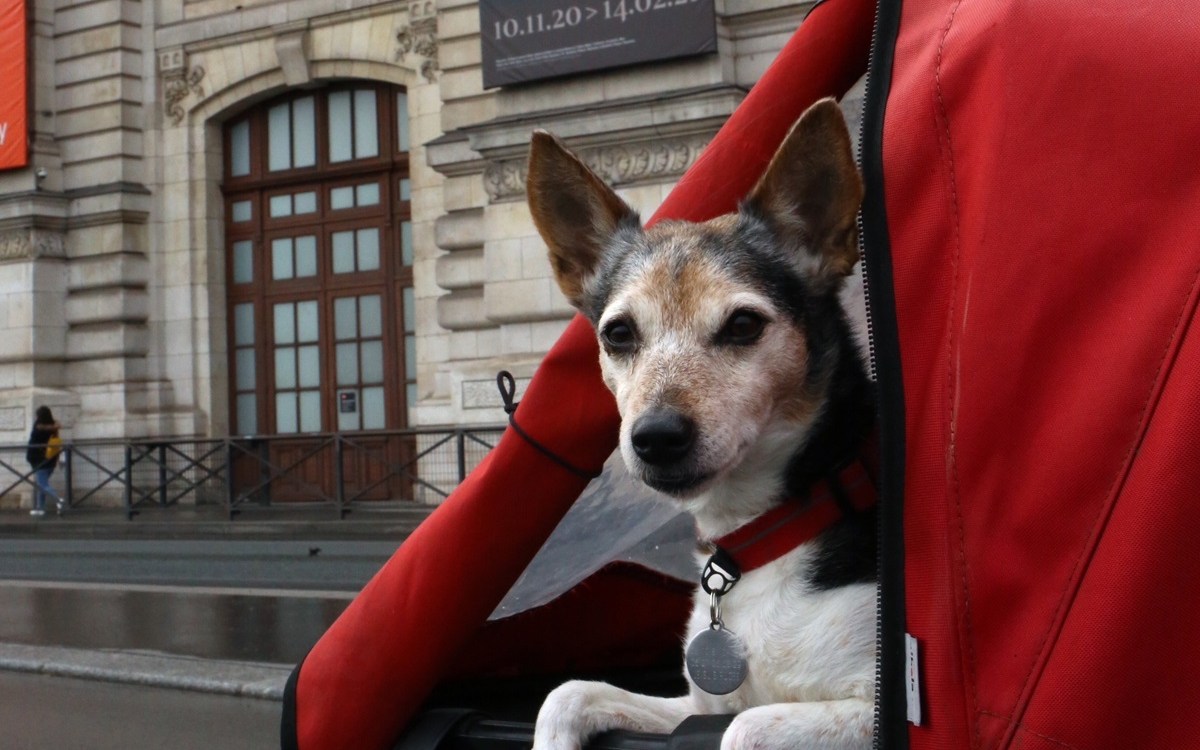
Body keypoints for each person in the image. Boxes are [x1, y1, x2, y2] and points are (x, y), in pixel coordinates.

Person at [26, 406, 64, 517]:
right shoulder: (54, 427)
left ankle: (58, 500)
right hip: (51, 459)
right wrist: (55, 424)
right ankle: (40, 507)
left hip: (39, 459)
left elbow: (39, 430)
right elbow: (57, 425)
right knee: (41, 484)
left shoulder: (38, 427)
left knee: (42, 484)